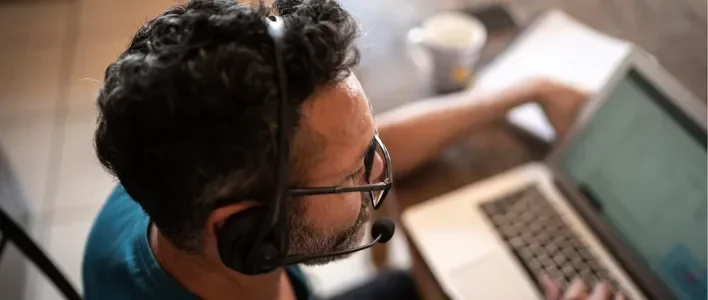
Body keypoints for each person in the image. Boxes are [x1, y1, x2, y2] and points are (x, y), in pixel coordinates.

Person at [82, 0, 622, 299]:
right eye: (351, 175)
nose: (382, 168)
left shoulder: (172, 172)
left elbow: (326, 149)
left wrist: (522, 93)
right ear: (249, 233)